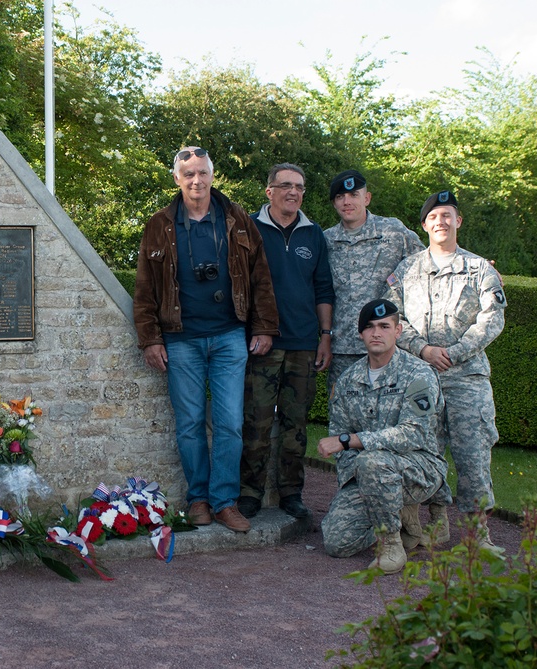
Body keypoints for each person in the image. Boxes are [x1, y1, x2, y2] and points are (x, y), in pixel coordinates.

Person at [134, 146, 279, 532]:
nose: (196, 180)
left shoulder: (238, 221)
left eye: (202, 173)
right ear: (176, 179)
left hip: (230, 336)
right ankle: (198, 498)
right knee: (190, 423)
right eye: (188, 174)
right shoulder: (159, 224)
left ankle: (225, 501)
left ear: (212, 175)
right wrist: (150, 338)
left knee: (230, 423)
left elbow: (261, 278)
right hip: (181, 339)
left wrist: (264, 327)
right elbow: (145, 288)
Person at [385, 190, 507, 552]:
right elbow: (393, 316)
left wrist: (453, 353)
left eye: (447, 215)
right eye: (434, 216)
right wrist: (422, 349)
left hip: (466, 378)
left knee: (473, 456)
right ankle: (437, 525)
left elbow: (491, 319)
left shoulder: (480, 269)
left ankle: (476, 535)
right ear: (424, 225)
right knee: (426, 453)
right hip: (422, 377)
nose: (441, 221)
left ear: (458, 221)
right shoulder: (407, 269)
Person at [319, 299, 447, 574]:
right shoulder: (348, 381)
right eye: (369, 327)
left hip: (420, 468)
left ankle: (391, 545)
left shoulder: (419, 373)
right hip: (368, 474)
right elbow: (337, 440)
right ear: (361, 334)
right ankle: (399, 515)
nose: (377, 333)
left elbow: (413, 434)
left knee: (373, 462)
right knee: (336, 543)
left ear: (398, 331)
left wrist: (353, 440)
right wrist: (355, 481)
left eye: (384, 326)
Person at [238, 163, 334, 520]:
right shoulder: (248, 227)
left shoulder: (314, 234)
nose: (293, 192)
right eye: (286, 185)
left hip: (304, 344)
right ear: (269, 191)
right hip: (261, 344)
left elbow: (323, 289)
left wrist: (325, 336)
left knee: (296, 425)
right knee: (256, 421)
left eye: (300, 186)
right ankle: (249, 493)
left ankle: (291, 493)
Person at [324, 170, 425, 390]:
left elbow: (428, 261)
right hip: (343, 348)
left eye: (353, 195)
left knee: (388, 414)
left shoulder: (393, 231)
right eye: (340, 197)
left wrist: (477, 265)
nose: (347, 201)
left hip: (387, 345)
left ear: (367, 198)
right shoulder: (326, 240)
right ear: (334, 203)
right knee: (343, 414)